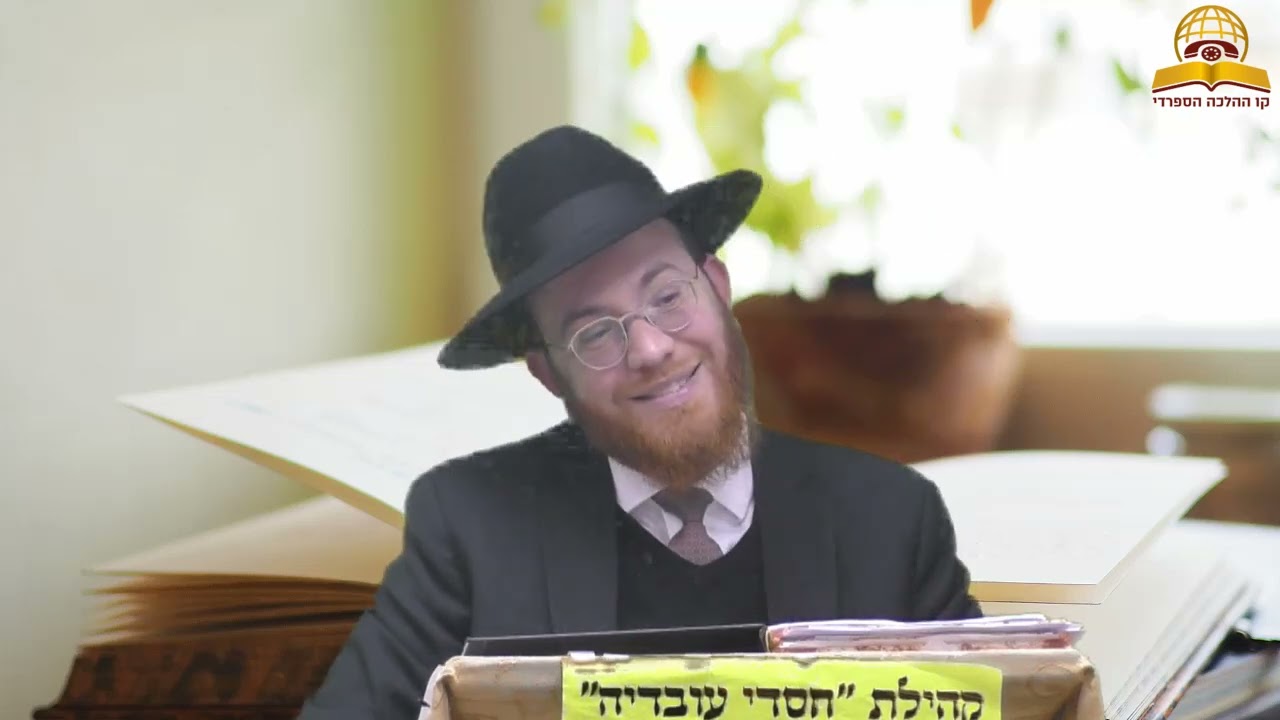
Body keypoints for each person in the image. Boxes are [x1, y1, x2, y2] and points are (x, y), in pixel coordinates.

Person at [299, 125, 981, 719]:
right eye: (595, 333)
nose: (651, 349)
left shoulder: (890, 522)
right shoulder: (473, 530)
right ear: (548, 373)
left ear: (718, 288)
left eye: (667, 295)